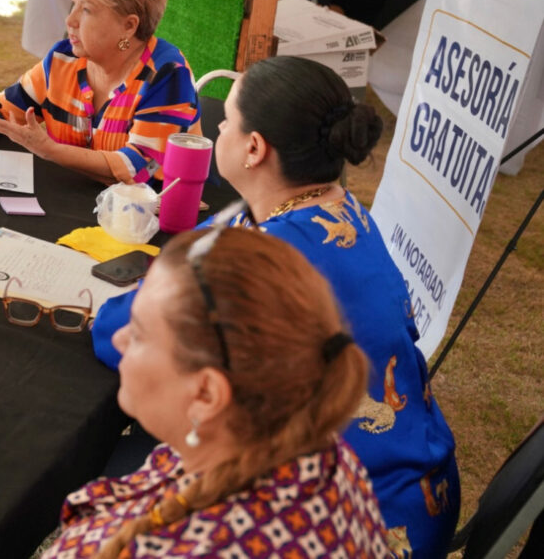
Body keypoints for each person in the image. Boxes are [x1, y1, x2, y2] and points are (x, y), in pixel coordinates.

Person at [93, 56, 459, 557]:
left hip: (353, 525)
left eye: (225, 123)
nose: (217, 129)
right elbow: (212, 242)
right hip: (416, 486)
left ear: (254, 148)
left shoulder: (264, 259)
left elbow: (119, 331)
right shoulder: (338, 207)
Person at [45, 227, 390, 558]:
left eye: (137, 334)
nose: (118, 339)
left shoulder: (165, 547)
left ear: (207, 394)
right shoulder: (320, 451)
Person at [0, 0, 199, 185]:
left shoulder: (167, 75)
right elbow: (6, 110)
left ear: (129, 26)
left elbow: (143, 171)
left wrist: (50, 151)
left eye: (87, 10)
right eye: (74, 4)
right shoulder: (64, 59)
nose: (70, 20)